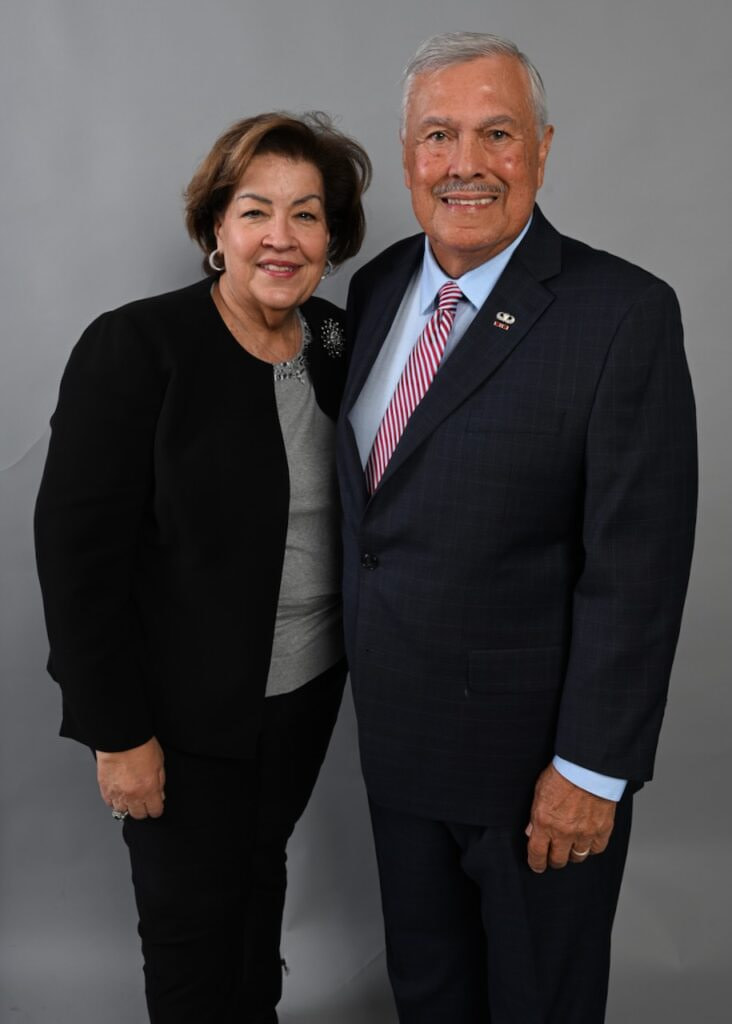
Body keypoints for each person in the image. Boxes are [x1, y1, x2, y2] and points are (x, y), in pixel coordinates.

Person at [337, 32, 697, 1023]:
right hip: (399, 746)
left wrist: (591, 769)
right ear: (407, 154)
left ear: (541, 148)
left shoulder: (621, 313)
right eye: (438, 135)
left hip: (536, 771)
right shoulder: (374, 289)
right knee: (429, 995)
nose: (466, 163)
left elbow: (638, 565)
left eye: (496, 133)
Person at [34, 111, 371, 1024]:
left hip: (303, 695)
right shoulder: (138, 346)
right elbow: (77, 561)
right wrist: (118, 736)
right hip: (175, 720)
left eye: (307, 214)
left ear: (332, 238)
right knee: (191, 932)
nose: (281, 237)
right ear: (217, 225)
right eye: (256, 210)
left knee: (259, 891)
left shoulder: (336, 341)